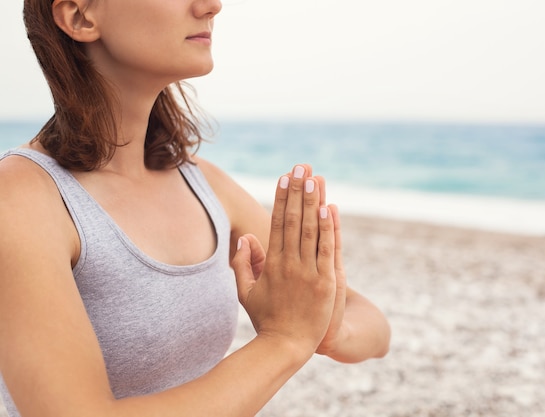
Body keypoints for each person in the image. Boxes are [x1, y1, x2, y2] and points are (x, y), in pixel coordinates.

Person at [0, 0, 390, 416]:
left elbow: (371, 324)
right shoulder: (21, 199)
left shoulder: (203, 183)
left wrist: (323, 330)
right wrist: (284, 340)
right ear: (80, 16)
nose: (212, 5)